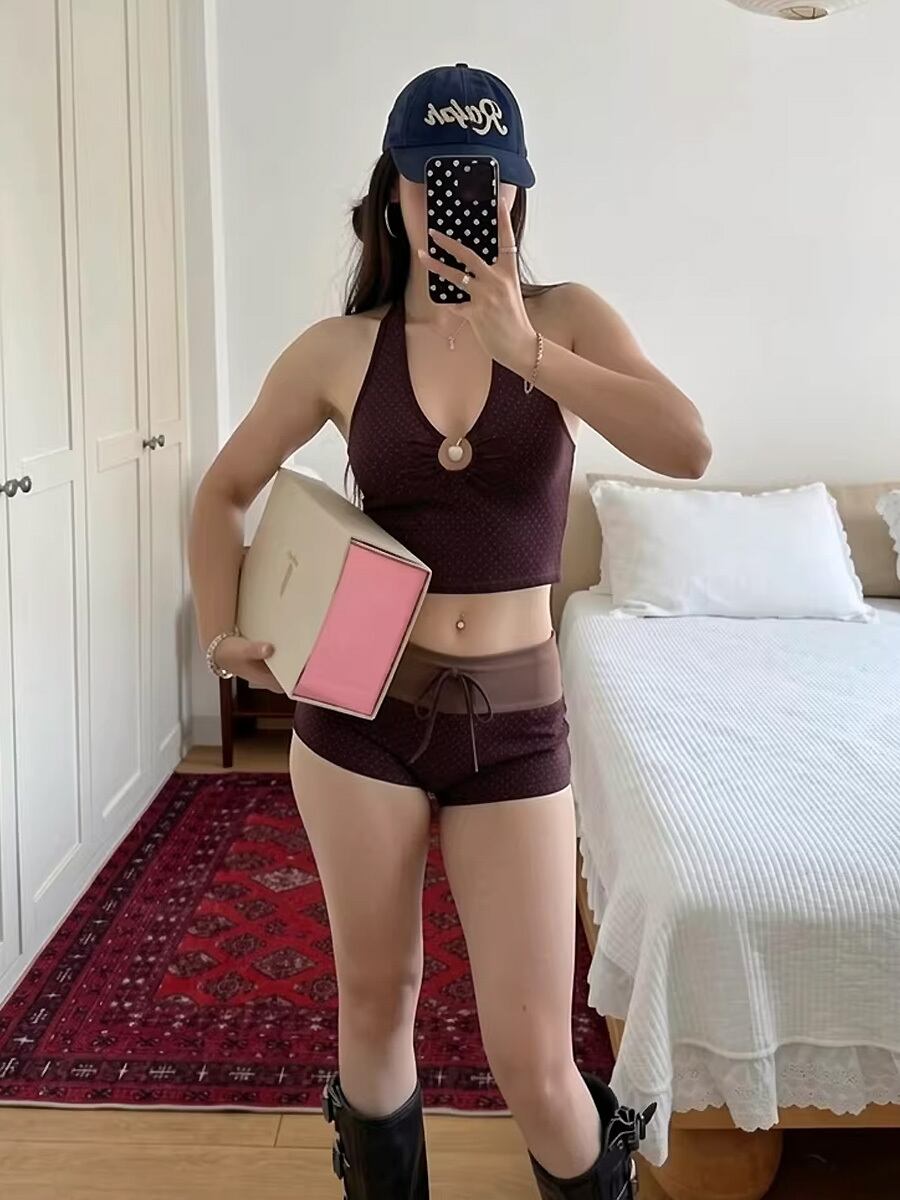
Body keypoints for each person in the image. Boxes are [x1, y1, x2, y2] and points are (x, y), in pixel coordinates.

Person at [189, 63, 710, 1200]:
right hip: (360, 715)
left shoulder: (568, 321)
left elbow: (687, 446)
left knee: (537, 1061)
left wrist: (527, 352)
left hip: (516, 728)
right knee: (377, 1003)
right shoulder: (340, 348)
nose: (462, 201)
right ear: (394, 195)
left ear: (518, 192)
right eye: (435, 180)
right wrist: (226, 634)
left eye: (487, 179)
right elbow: (223, 490)